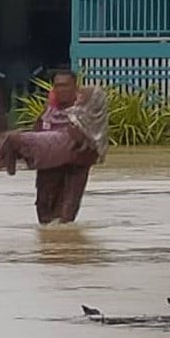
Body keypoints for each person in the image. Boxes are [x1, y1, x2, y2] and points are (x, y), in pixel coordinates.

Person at [0, 85, 108, 187]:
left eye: (81, 96)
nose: (77, 98)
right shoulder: (86, 116)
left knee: (11, 143)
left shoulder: (80, 115)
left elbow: (73, 134)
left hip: (57, 153)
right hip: (57, 154)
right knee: (13, 147)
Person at [33, 71, 98, 224]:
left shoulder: (86, 111)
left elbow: (95, 142)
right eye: (57, 86)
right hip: (49, 169)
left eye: (65, 85)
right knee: (44, 212)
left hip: (75, 169)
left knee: (66, 215)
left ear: (75, 87)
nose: (61, 89)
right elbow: (35, 137)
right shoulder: (47, 113)